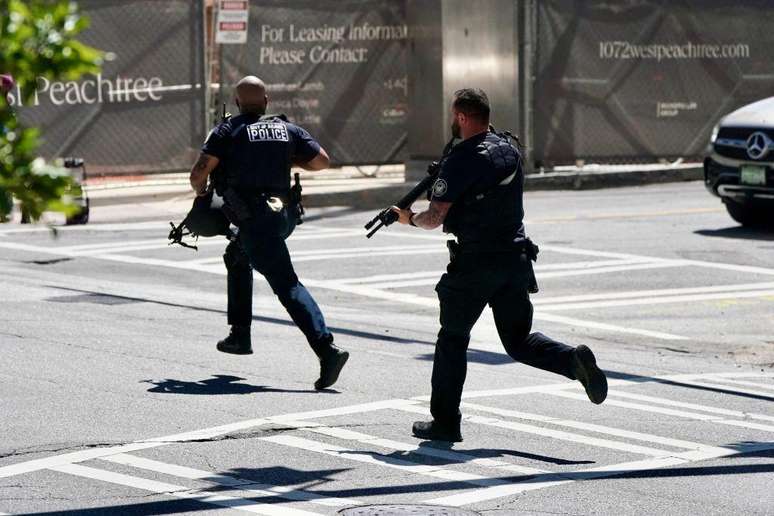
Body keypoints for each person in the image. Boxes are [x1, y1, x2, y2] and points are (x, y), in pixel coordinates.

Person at [391, 88, 607, 442]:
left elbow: (434, 217)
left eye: (453, 116)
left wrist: (406, 219)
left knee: (453, 339)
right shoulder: (508, 146)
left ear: (461, 117)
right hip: (515, 258)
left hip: (476, 262)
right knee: (518, 339)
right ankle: (573, 361)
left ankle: (445, 422)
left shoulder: (462, 159)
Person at [189, 75, 348, 391]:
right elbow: (322, 161)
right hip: (282, 215)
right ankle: (239, 335)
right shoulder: (285, 128)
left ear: (236, 103)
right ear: (266, 101)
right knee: (237, 255)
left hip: (255, 219)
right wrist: (285, 157)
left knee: (287, 285)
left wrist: (203, 190)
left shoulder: (228, 130)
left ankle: (326, 348)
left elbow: (198, 174)